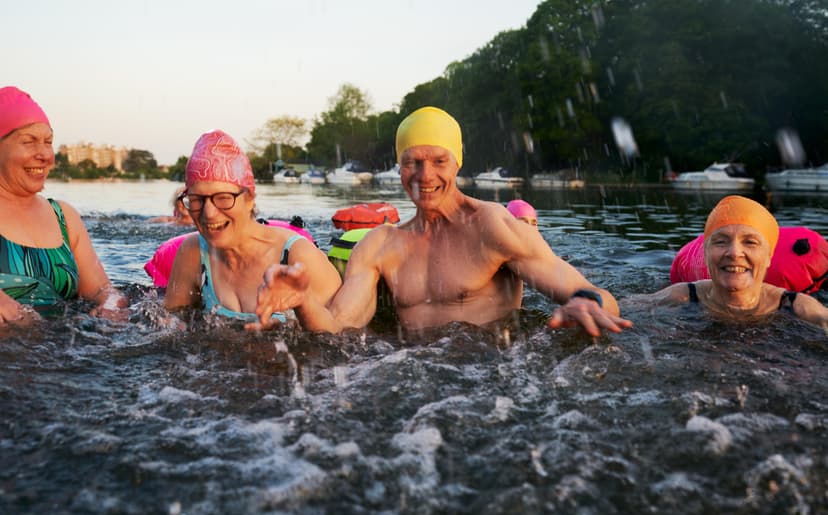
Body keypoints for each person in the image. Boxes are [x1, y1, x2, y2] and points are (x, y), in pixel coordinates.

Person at [255, 106, 632, 336]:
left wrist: (586, 303)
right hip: (417, 387)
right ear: (398, 166)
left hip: (496, 380)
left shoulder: (492, 227)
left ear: (458, 162)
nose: (424, 175)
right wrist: (302, 301)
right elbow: (338, 327)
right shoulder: (380, 245)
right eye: (411, 162)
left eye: (438, 161)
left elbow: (599, 297)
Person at [163, 129, 340, 327]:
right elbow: (168, 328)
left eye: (223, 198)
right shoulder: (193, 252)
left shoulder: (298, 256)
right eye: (196, 200)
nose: (209, 213)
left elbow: (342, 334)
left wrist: (303, 305)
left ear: (249, 200)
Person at [0, 86, 128, 324]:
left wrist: (111, 305)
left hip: (65, 353)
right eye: (29, 142)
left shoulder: (64, 217)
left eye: (48, 142)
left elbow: (102, 289)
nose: (44, 155)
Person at [644, 195, 828, 326]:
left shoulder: (796, 306)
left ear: (769, 256)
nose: (734, 252)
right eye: (721, 241)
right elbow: (625, 307)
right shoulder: (684, 295)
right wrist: (612, 314)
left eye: (750, 242)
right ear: (706, 253)